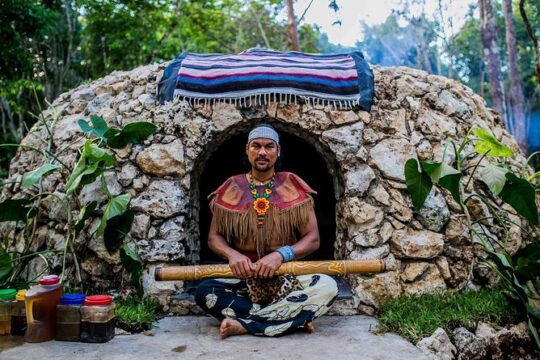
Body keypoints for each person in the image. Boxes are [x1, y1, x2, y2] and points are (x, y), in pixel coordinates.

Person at [194, 124, 338, 338]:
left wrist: (280, 255)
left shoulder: (293, 185)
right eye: (256, 146)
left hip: (286, 276)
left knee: (328, 286)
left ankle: (244, 325)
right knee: (204, 291)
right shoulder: (231, 186)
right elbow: (214, 238)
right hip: (244, 277)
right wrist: (233, 255)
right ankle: (292, 320)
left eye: (269, 146)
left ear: (278, 151)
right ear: (247, 150)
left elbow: (313, 239)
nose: (262, 152)